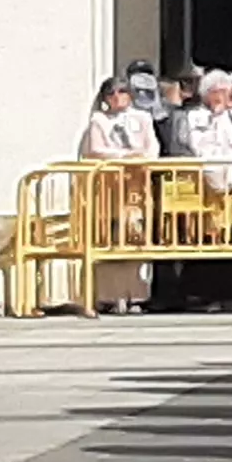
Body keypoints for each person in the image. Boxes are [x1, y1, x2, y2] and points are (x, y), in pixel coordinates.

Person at [76, 77, 160, 314]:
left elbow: (152, 148)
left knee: (135, 236)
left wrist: (141, 158)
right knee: (109, 240)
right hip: (109, 189)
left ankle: (136, 295)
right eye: (111, 93)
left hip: (136, 188)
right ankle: (110, 296)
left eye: (122, 91)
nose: (117, 97)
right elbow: (95, 150)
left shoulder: (142, 118)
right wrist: (124, 157)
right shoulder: (99, 120)